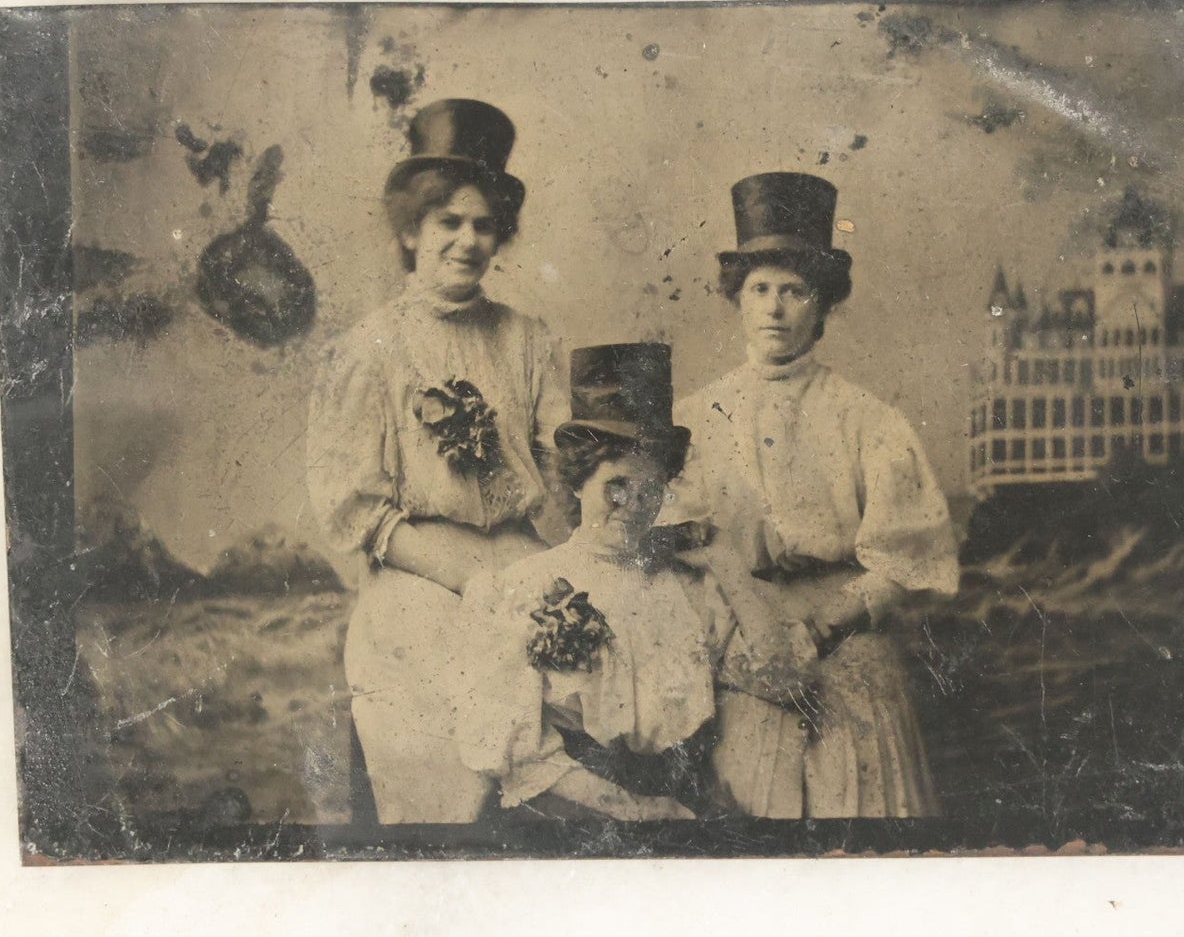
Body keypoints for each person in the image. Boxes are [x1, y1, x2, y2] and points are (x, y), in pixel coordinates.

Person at [307, 99, 570, 823]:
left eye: (484, 225)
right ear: (410, 230)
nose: (467, 241)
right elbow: (357, 509)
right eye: (448, 222)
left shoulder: (528, 340)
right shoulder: (367, 349)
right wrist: (472, 578)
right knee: (454, 791)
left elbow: (563, 469)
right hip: (420, 583)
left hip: (522, 571)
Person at [666, 172, 960, 818]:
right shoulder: (692, 418)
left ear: (821, 307)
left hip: (849, 642)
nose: (773, 308)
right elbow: (680, 552)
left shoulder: (868, 419)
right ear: (737, 300)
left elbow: (902, 562)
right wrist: (752, 637)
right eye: (759, 290)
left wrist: (827, 624)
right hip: (741, 646)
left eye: (793, 291)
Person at [458, 343, 817, 820]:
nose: (632, 507)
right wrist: (638, 811)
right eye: (616, 486)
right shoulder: (524, 588)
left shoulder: (686, 587)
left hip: (682, 808)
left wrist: (727, 562)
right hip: (573, 811)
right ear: (579, 479)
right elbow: (513, 757)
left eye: (651, 492)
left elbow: (787, 683)